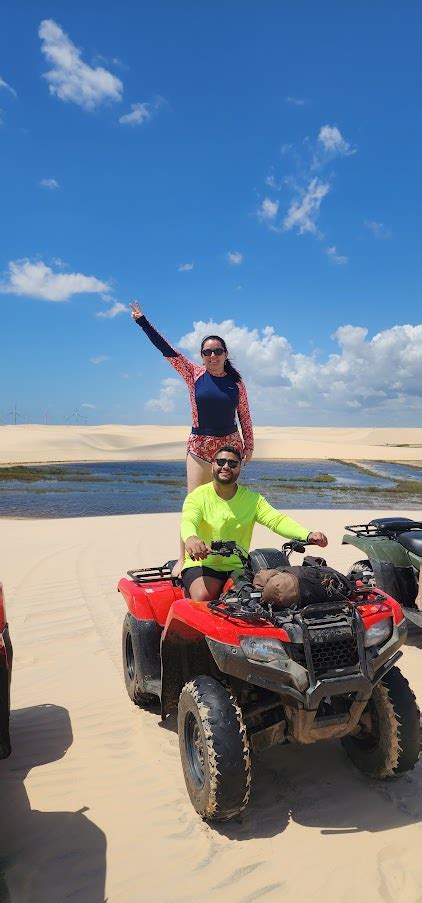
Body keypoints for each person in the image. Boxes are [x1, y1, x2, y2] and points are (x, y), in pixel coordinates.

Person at [130, 301, 254, 574]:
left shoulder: (236, 382)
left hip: (229, 449)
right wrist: (142, 322)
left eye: (217, 351)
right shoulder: (193, 374)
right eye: (207, 352)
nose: (212, 355)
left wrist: (249, 446)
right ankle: (184, 559)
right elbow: (166, 349)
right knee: (194, 505)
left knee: (224, 503)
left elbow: (244, 414)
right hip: (200, 447)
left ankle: (223, 557)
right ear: (201, 355)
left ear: (225, 353)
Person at [180, 445, 328, 601]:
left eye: (232, 464)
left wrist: (307, 535)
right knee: (203, 597)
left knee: (250, 600)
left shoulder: (253, 499)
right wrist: (191, 538)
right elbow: (189, 520)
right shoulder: (197, 496)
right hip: (203, 566)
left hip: (237, 566)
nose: (226, 467)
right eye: (221, 462)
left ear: (239, 467)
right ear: (212, 465)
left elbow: (276, 520)